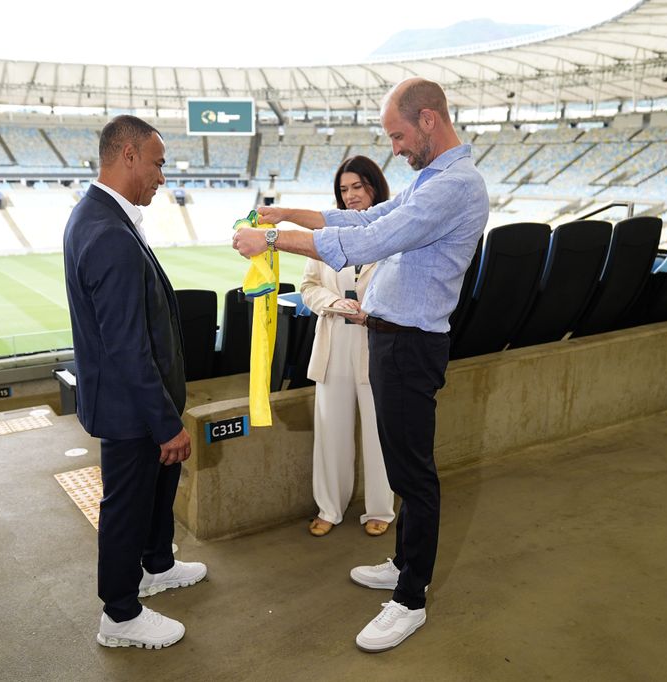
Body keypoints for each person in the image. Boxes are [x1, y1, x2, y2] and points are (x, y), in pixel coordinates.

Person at [232, 78, 489, 652]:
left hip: (411, 345)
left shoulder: (455, 186)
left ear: (428, 120)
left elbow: (366, 243)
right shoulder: (431, 181)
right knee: (402, 467)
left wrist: (271, 238)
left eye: (398, 135)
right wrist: (283, 213)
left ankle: (410, 599)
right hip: (392, 340)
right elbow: (355, 222)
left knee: (414, 477)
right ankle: (404, 565)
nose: (393, 148)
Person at [63, 114, 207, 650]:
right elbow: (127, 345)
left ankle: (157, 565)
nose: (162, 177)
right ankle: (120, 616)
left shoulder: (103, 217)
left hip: (136, 402)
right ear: (127, 156)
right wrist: (166, 423)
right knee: (126, 505)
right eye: (157, 163)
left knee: (155, 490)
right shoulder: (106, 231)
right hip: (131, 409)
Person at [301, 156, 395, 538]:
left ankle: (381, 508)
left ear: (375, 187)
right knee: (330, 430)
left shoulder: (394, 231)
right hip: (334, 340)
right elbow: (308, 288)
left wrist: (370, 310)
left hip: (378, 340)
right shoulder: (328, 234)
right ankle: (329, 506)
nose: (351, 195)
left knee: (379, 432)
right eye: (344, 189)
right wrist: (335, 304)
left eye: (358, 186)